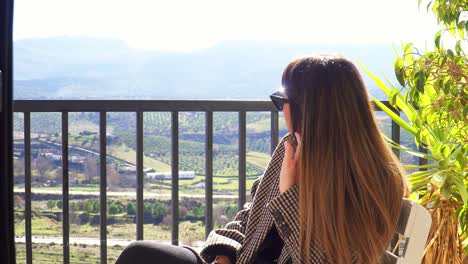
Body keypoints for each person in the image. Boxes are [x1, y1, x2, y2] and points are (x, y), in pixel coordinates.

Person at [116, 55, 407, 264]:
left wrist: (290, 192)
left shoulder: (375, 181)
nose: (281, 111)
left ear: (312, 111)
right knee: (141, 254)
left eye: (282, 101)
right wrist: (223, 253)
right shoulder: (290, 148)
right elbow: (250, 213)